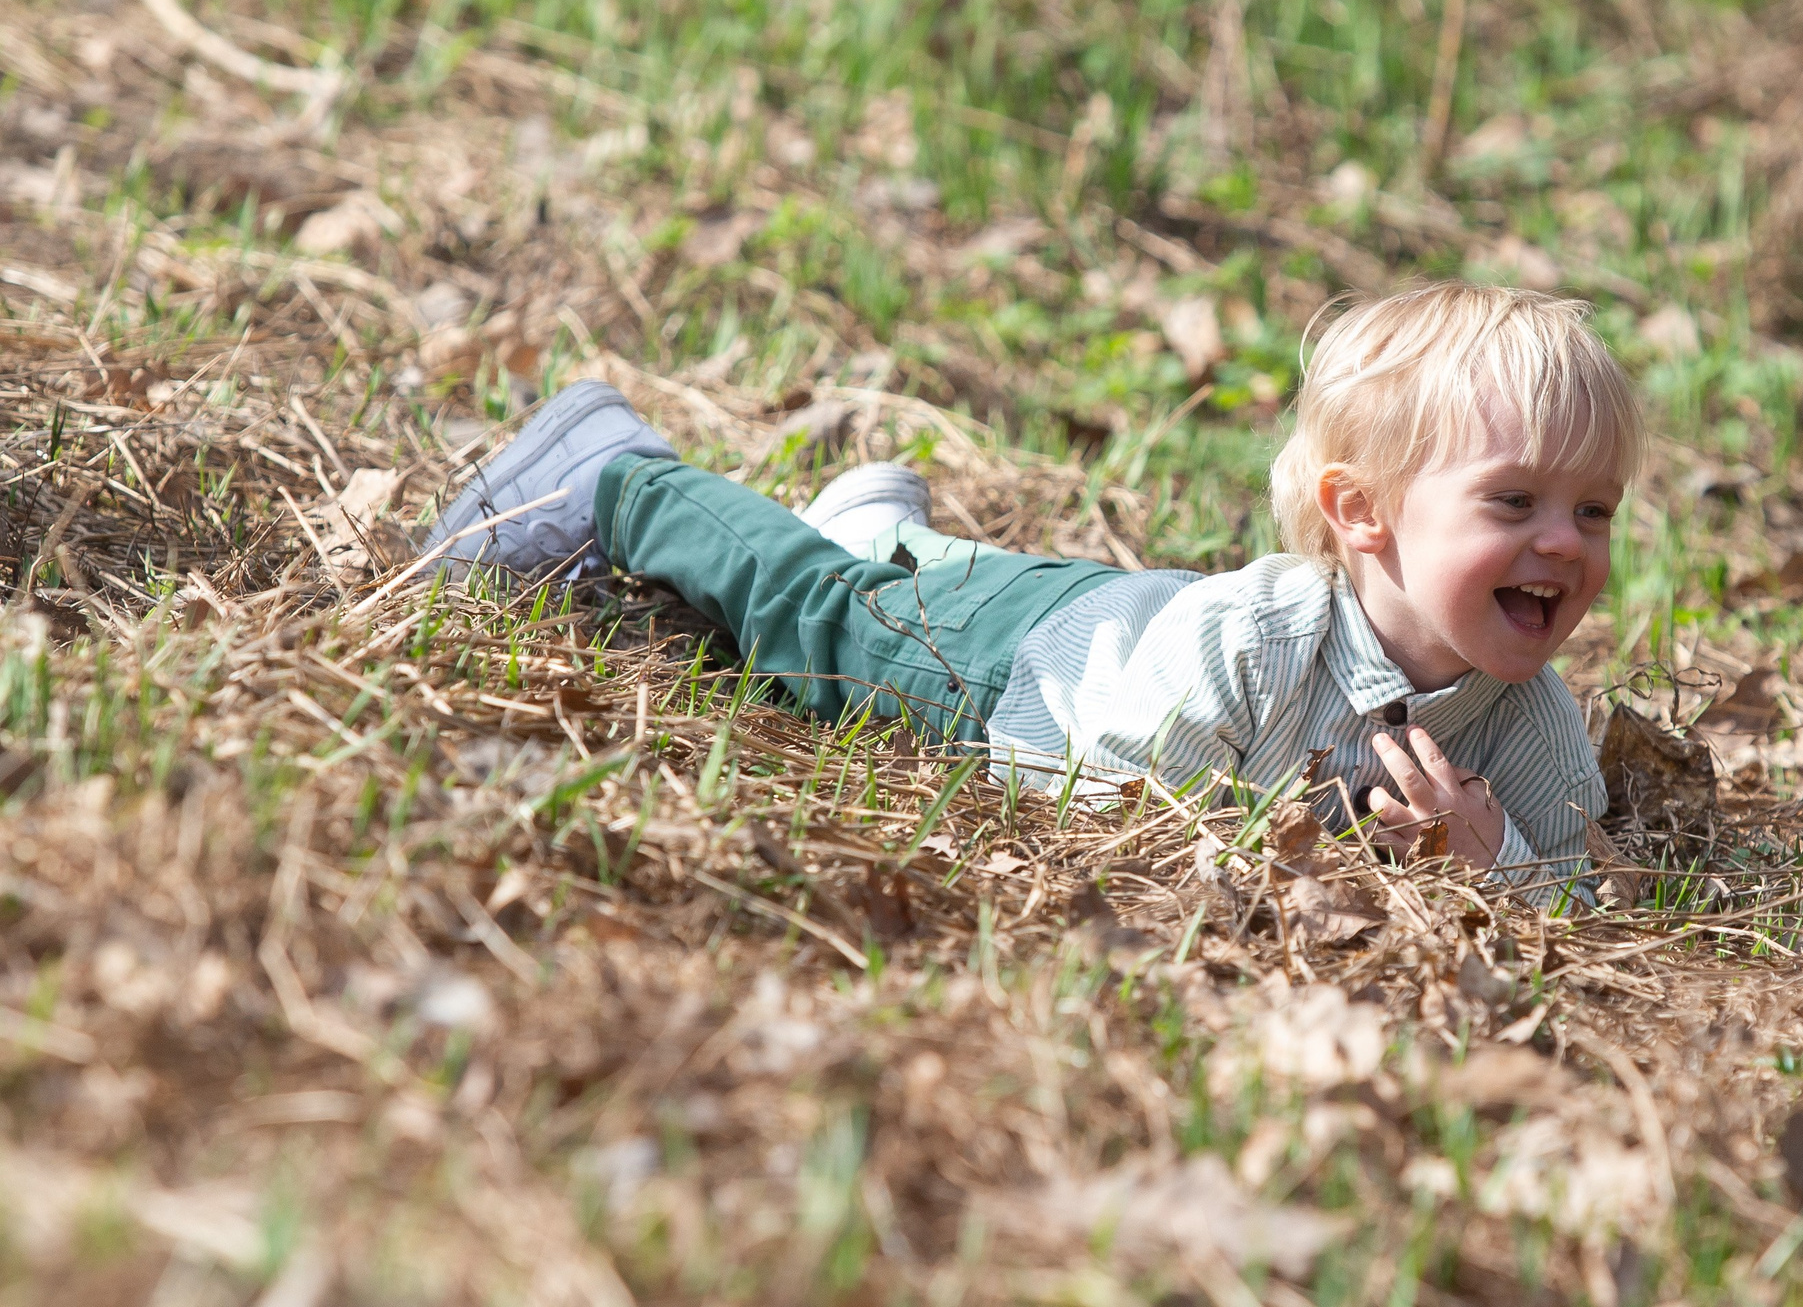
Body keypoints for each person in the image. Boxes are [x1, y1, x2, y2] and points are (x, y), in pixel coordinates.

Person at [419, 282, 1641, 899]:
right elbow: (1103, 802)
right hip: (1021, 674)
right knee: (816, 622)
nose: (1563, 544)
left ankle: (881, 530)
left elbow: (1579, 910)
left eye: (1592, 511)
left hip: (1110, 610)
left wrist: (1492, 860)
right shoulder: (1260, 634)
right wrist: (1303, 863)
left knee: (891, 584)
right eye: (1512, 502)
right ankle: (618, 475)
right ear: (1362, 513)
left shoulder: (1520, 715)